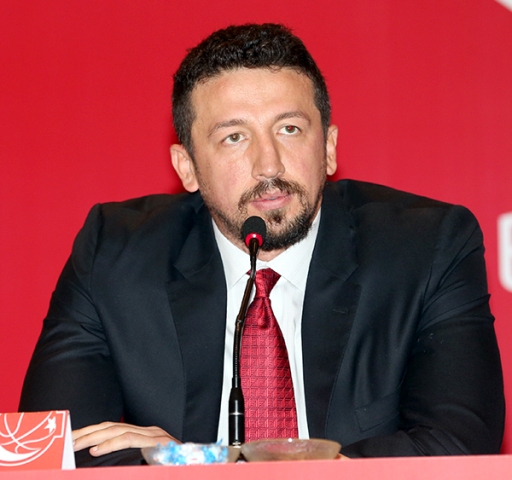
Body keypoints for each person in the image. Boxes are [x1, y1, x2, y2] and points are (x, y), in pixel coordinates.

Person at [19, 23, 505, 467]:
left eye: (289, 129)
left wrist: (198, 464)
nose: (268, 164)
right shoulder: (114, 254)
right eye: (234, 137)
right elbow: (52, 452)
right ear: (187, 167)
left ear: (329, 147)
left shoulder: (426, 247)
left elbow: (458, 444)